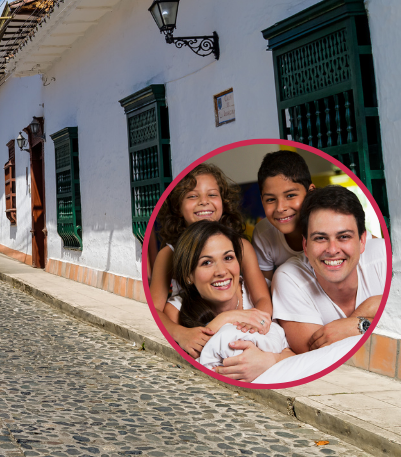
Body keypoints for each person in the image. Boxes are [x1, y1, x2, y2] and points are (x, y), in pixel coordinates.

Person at [148, 163, 273, 357]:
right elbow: (155, 310)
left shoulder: (241, 246)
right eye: (192, 196)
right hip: (195, 323)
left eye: (212, 195)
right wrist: (180, 333)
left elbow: (262, 298)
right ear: (178, 207)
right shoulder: (169, 255)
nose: (203, 202)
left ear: (224, 202)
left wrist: (260, 321)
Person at [164, 221, 294, 380]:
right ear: (188, 276)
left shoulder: (264, 296)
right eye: (206, 262)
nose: (221, 271)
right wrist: (226, 318)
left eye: (228, 257)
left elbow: (296, 356)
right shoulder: (176, 310)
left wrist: (271, 360)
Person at [271, 186, 386, 354]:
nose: (332, 250)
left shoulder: (383, 257)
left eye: (344, 237)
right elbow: (319, 359)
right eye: (320, 238)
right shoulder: (289, 278)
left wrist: (358, 323)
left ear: (362, 240)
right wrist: (370, 315)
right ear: (305, 246)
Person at [253, 150, 316, 282]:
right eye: (270, 199)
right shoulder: (263, 233)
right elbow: (264, 290)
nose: (280, 208)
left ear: (311, 192)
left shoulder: (330, 220)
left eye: (290, 195)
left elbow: (369, 244)